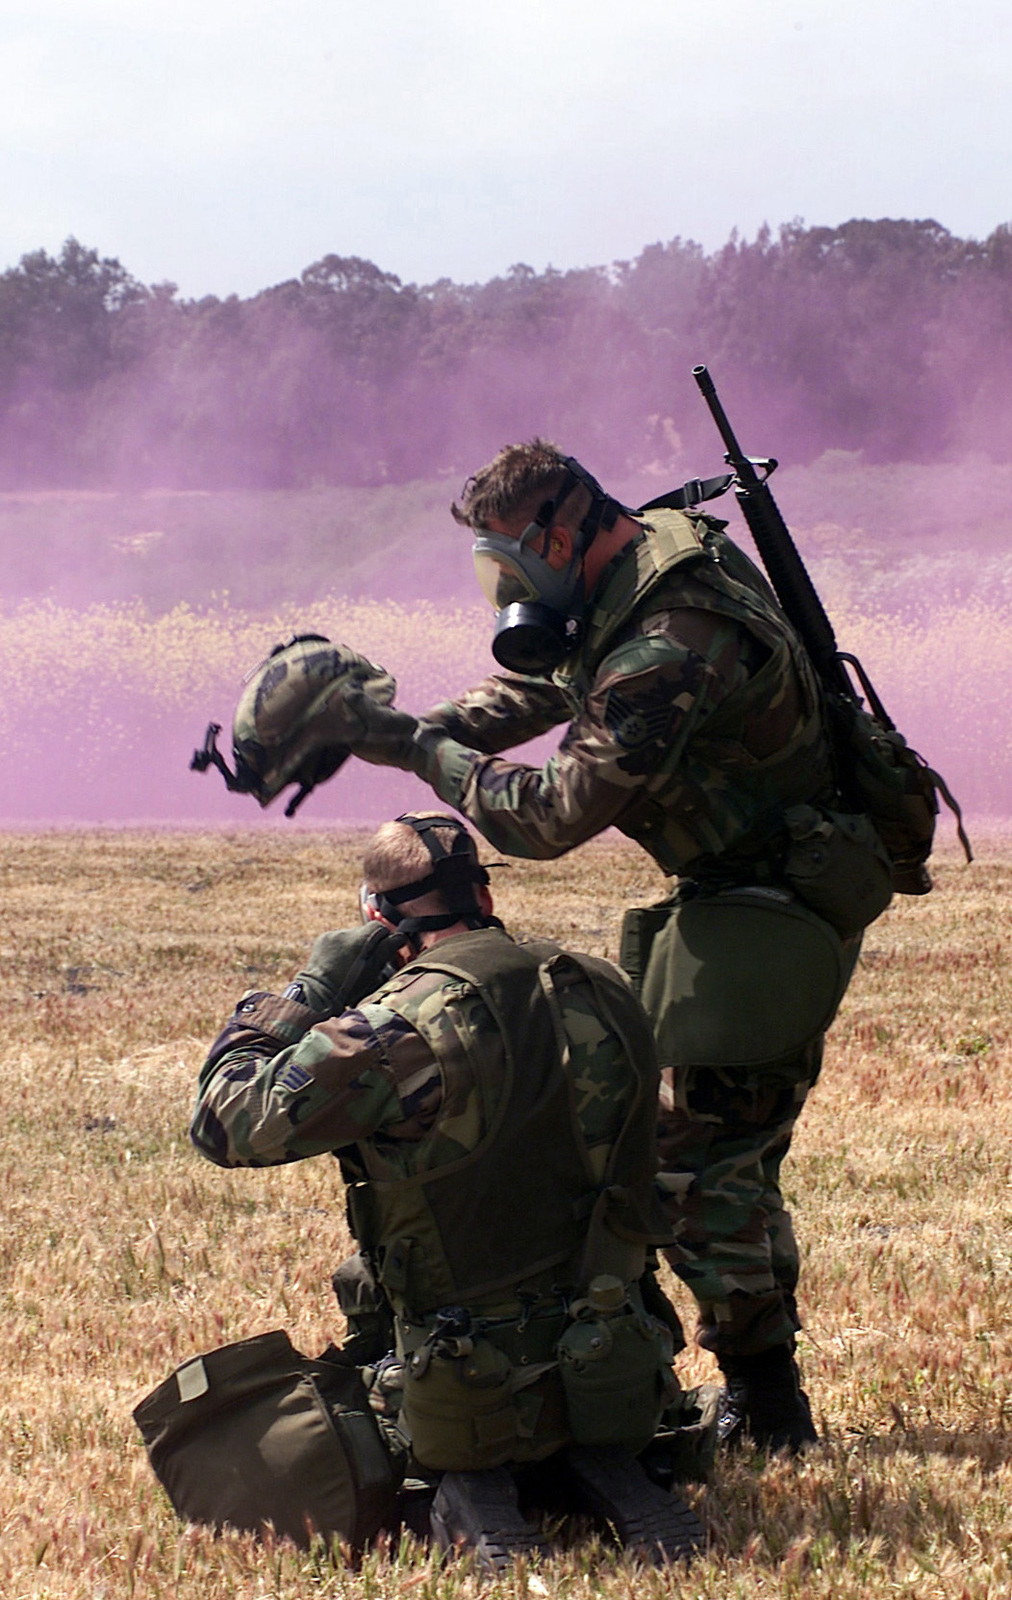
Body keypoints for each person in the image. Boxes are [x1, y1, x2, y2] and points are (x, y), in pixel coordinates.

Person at [301, 442, 876, 1453]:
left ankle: (770, 1407)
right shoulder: (636, 563)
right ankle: (738, 1375)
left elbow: (550, 816)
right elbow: (552, 686)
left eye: (507, 566)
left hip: (773, 903)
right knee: (704, 1144)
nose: (505, 590)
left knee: (698, 1164)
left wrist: (418, 752)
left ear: (560, 536)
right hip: (727, 887)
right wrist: (398, 726)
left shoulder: (672, 633)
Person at [190, 812, 706, 1572]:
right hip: (614, 1358)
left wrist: (309, 993)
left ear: (376, 915)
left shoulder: (395, 1028)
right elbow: (660, 1141)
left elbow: (225, 1126)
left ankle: (473, 1487)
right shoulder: (601, 988)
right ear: (485, 899)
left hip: (460, 1381)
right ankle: (595, 1464)